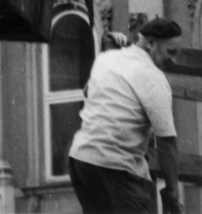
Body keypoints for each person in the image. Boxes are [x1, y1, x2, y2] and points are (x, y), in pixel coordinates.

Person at [68, 16, 183, 213]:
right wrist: (172, 192)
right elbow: (166, 143)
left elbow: (88, 91)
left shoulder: (107, 58)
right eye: (171, 52)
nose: (174, 60)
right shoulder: (155, 78)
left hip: (81, 160)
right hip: (114, 166)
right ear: (151, 43)